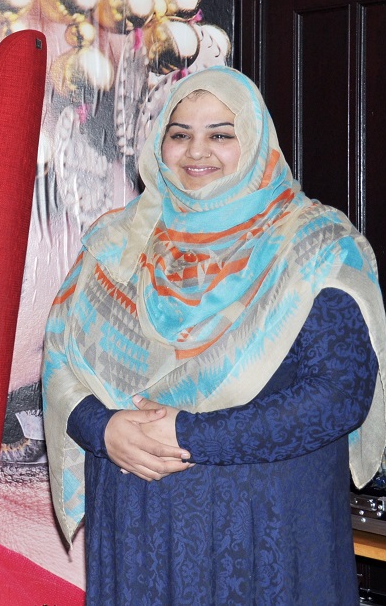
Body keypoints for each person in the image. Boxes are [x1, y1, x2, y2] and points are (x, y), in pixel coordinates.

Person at [43, 66, 386, 604]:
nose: (196, 151)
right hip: (137, 537)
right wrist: (101, 428)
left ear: (255, 143)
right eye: (179, 134)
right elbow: (63, 359)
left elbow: (339, 394)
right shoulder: (117, 244)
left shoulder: (310, 245)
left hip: (265, 540)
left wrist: (190, 435)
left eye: (221, 134)